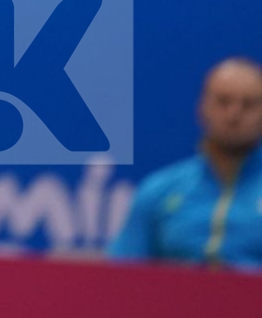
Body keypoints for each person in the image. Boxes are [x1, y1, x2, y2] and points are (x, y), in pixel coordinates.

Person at [110, 57, 262, 266]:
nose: (234, 115)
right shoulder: (159, 190)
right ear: (202, 107)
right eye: (223, 101)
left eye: (248, 104)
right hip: (173, 298)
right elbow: (122, 273)